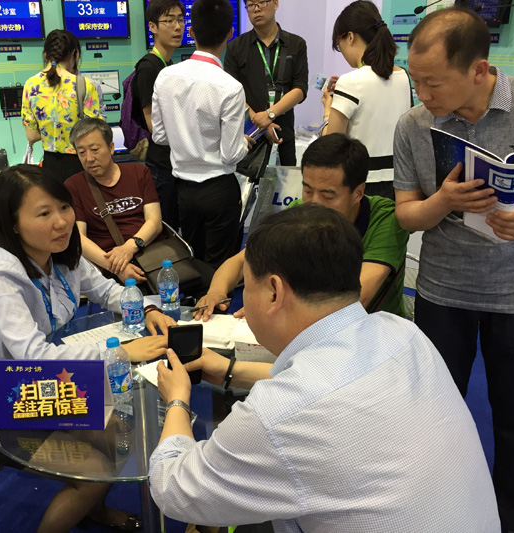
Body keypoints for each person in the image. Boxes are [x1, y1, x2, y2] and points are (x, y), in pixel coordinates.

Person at [149, 204, 500, 532]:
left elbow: (171, 488)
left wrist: (177, 399)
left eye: (247, 284)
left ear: (274, 292)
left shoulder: (274, 416)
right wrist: (230, 370)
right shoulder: (402, 333)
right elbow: (329, 389)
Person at [392, 8, 514, 533]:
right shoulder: (414, 124)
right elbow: (406, 214)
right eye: (415, 80)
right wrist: (443, 201)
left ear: (479, 70)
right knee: (434, 416)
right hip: (442, 294)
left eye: (434, 82)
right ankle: (434, 514)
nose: (422, 93)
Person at [0, 164, 176, 533]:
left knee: (120, 436)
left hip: (38, 386)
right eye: (44, 214)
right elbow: (34, 356)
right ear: (12, 224)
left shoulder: (61, 253)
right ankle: (89, 498)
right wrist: (122, 352)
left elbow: (106, 290)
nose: (61, 222)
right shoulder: (1, 274)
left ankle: (92, 508)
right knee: (96, 470)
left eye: (64, 208)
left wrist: (146, 307)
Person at [195, 133, 408, 319]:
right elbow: (242, 261)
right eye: (307, 190)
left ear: (358, 193)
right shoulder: (298, 212)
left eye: (327, 196)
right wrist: (216, 292)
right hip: (307, 325)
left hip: (373, 330)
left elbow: (357, 298)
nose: (314, 203)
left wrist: (278, 311)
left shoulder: (386, 219)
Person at [152, 0, 251, 268]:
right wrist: (244, 143)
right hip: (219, 189)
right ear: (230, 33)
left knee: (192, 264)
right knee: (220, 269)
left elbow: (159, 137)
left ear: (191, 31)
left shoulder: (165, 77)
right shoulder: (230, 87)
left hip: (184, 191)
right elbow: (231, 154)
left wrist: (185, 137)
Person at [320, 0, 411, 200]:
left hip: (360, 185)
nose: (342, 53)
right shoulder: (403, 76)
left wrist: (328, 109)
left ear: (350, 37)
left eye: (339, 45)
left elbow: (333, 144)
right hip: (400, 183)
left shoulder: (350, 81)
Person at [65, 118, 162, 283]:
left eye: (95, 150)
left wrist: (128, 248)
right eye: (81, 153)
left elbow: (155, 221)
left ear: (111, 147)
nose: (89, 158)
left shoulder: (139, 173)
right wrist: (115, 267)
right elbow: (78, 237)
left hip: (149, 252)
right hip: (107, 262)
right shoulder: (74, 185)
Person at [225, 0, 308, 166]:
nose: (256, 9)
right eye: (251, 5)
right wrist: (260, 124)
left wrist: (270, 114)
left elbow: (300, 89)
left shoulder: (296, 44)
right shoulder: (235, 47)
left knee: (286, 181)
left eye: (261, 2)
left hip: (284, 136)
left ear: (275, 4)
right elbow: (232, 93)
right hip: (249, 138)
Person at [21, 29, 102, 185]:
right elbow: (95, 131)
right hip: (81, 163)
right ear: (75, 54)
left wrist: (51, 132)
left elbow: (31, 136)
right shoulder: (84, 85)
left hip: (49, 164)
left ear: (45, 55)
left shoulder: (30, 85)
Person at [133, 0, 186, 229]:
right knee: (165, 230)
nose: (177, 27)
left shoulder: (168, 64)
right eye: (169, 21)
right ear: (153, 27)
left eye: (180, 20)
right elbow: (153, 125)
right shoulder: (149, 68)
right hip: (162, 165)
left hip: (175, 161)